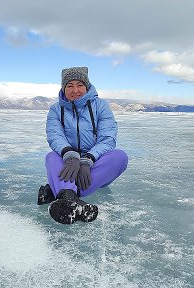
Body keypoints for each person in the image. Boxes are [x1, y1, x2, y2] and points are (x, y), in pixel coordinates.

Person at [38, 66, 128, 224]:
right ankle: (71, 199)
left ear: (87, 87)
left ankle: (60, 192)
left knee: (120, 157)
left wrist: (88, 159)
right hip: (69, 162)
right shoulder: (55, 110)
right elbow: (55, 135)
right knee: (52, 157)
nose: (75, 90)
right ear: (63, 88)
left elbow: (108, 138)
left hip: (94, 166)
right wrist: (70, 155)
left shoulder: (101, 106)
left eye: (79, 85)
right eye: (69, 86)